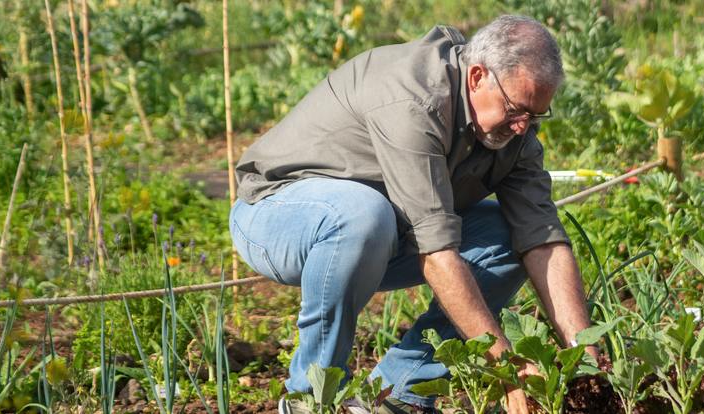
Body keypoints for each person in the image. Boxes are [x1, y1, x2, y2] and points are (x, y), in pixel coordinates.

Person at [229, 14, 596, 414]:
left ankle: (398, 393)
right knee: (363, 215)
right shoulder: (414, 99)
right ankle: (312, 397)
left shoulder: (513, 134)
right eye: (516, 108)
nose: (524, 126)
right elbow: (437, 255)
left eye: (536, 114)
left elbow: (543, 240)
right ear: (477, 77)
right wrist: (504, 367)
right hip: (276, 215)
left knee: (509, 236)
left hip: (381, 234)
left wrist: (587, 359)